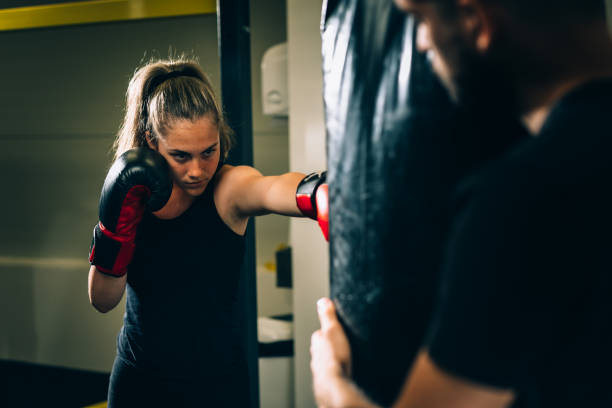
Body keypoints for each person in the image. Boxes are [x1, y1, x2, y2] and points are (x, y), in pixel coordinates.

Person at [311, 0, 612, 407]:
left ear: (476, 21)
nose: (419, 43)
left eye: (420, 20)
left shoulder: (520, 199)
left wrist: (331, 386)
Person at [87, 58, 328, 407]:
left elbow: (273, 188)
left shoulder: (229, 188)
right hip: (138, 382)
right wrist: (117, 231)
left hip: (215, 385)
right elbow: (102, 300)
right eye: (181, 156)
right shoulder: (133, 194)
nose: (197, 170)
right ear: (151, 141)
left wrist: (319, 193)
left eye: (209, 151)